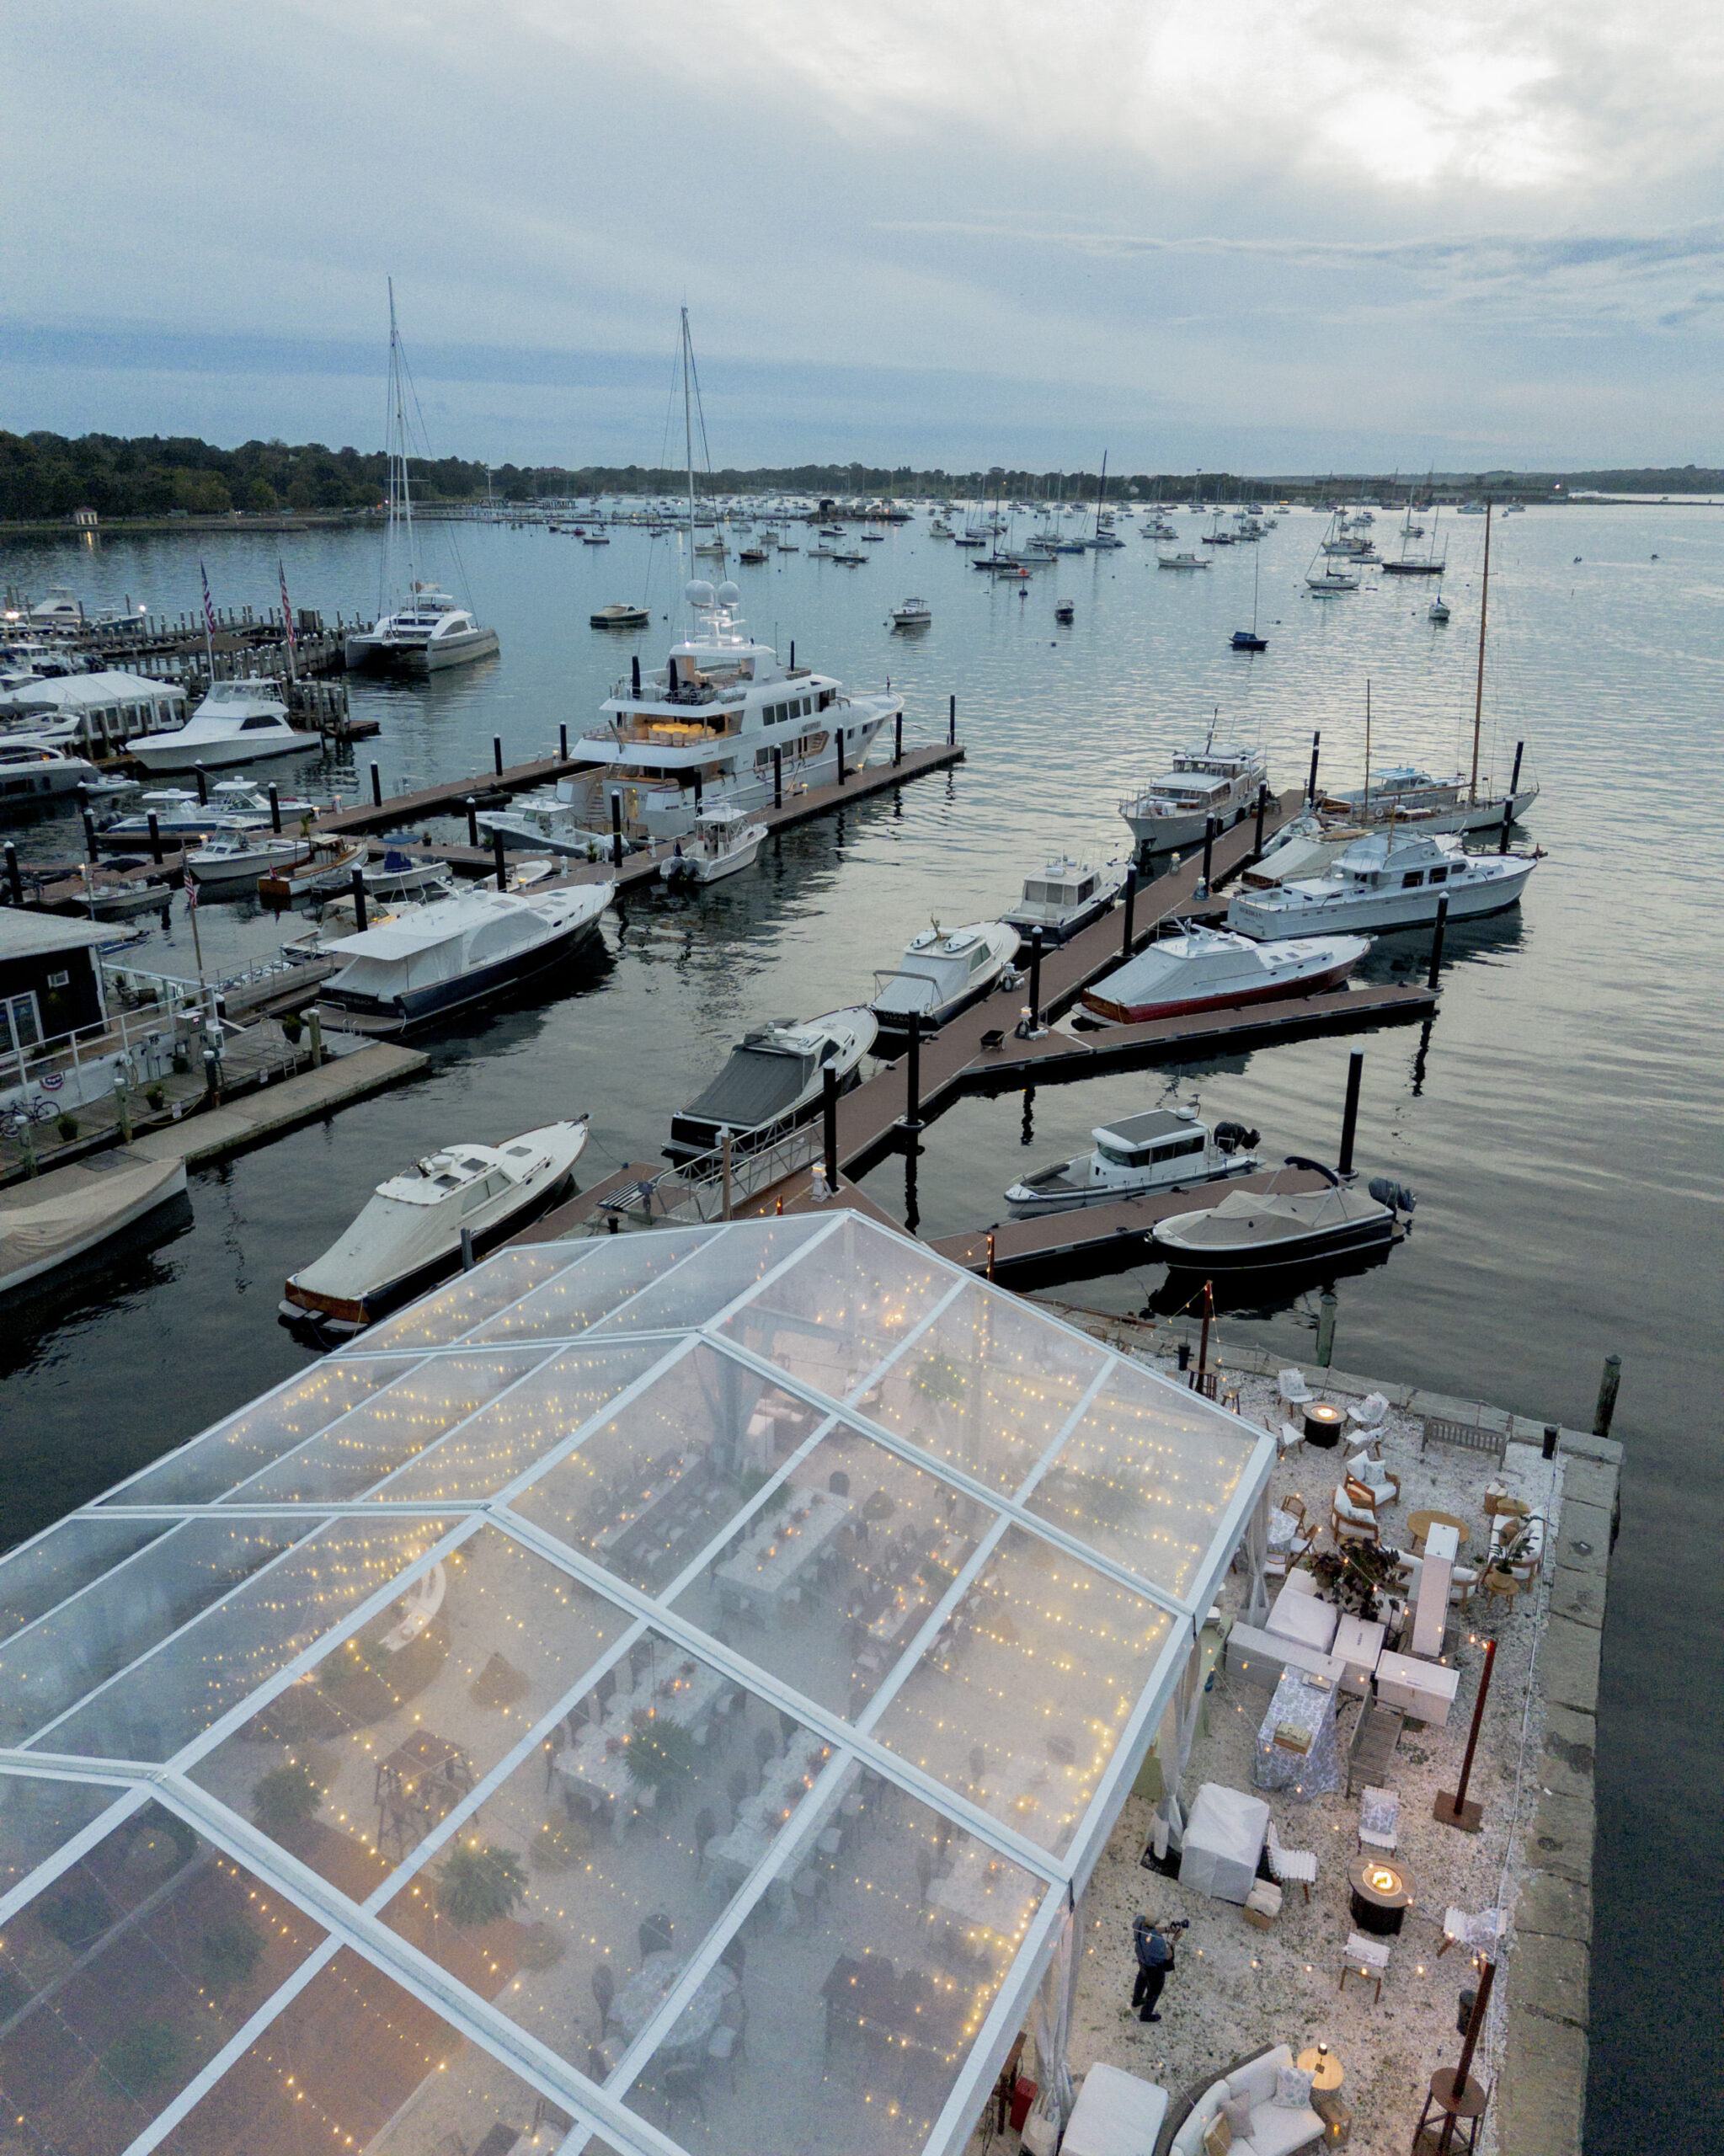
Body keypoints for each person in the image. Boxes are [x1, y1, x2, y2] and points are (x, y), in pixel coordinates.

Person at [1132, 1913, 1177, 2023]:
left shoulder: (1139, 1923)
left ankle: (1136, 2000)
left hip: (1142, 1958)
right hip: (1154, 1969)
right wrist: (1175, 1939)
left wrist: (1167, 1930)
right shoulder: (1157, 1943)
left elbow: (1152, 1930)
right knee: (1154, 1991)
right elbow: (1167, 1958)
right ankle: (1146, 2015)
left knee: (1142, 1978)